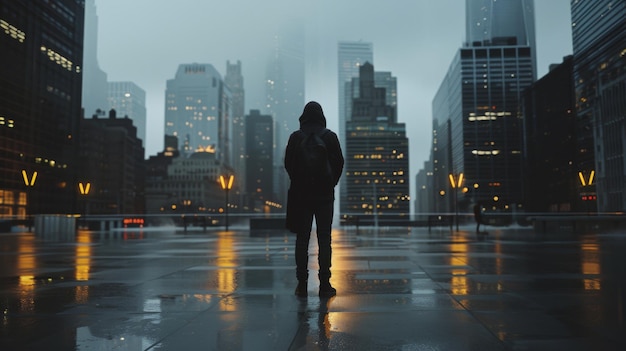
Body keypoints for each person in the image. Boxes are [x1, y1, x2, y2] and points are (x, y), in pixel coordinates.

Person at [285, 101, 344, 298]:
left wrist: (299, 182)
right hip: (324, 196)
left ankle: (301, 284)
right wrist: (330, 183)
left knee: (302, 239)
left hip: (301, 196)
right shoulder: (330, 137)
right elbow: (339, 164)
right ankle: (325, 284)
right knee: (324, 238)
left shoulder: (295, 137)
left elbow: (288, 164)